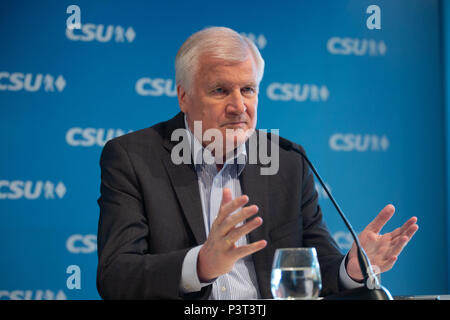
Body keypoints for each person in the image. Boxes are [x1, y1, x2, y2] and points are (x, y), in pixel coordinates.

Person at [96, 27, 418, 300]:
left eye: (248, 89)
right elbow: (116, 274)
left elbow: (318, 266)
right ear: (184, 97)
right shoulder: (133, 158)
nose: (239, 106)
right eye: (220, 90)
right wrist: (201, 265)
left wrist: (351, 268)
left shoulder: (287, 161)